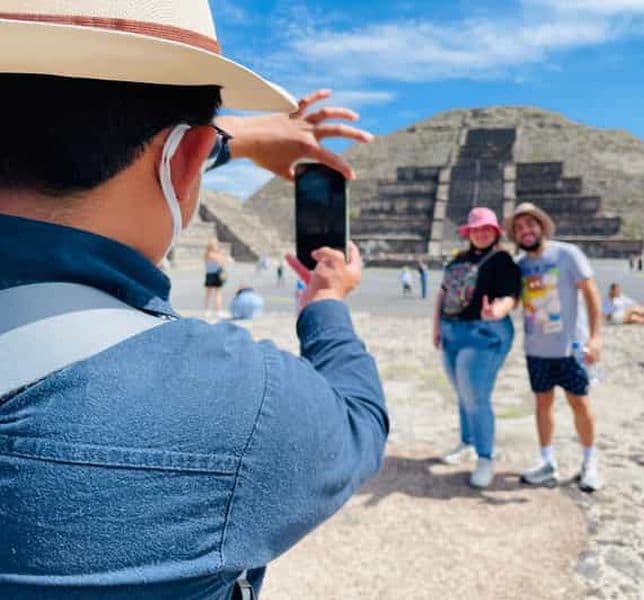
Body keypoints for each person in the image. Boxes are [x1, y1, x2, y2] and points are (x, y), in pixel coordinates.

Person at [0, 4, 388, 599]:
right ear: (185, 162)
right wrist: (326, 302)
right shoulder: (241, 399)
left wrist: (240, 141)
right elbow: (358, 421)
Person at [507, 202, 604, 492]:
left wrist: (596, 337)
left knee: (580, 403)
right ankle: (547, 461)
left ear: (541, 226)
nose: (525, 231)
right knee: (542, 404)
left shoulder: (567, 254)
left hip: (571, 347)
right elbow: (513, 300)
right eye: (519, 228)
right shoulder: (520, 266)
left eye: (530, 225)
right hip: (537, 348)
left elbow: (591, 294)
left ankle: (589, 462)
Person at [433, 207, 520, 488]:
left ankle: (485, 457)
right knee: (462, 392)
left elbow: (510, 295)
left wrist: (498, 310)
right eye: (476, 229)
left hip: (483, 334)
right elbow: (443, 292)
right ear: (468, 233)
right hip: (451, 331)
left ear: (495, 232)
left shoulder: (502, 260)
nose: (481, 233)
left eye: (486, 229)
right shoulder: (458, 259)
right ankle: (467, 443)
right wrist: (436, 326)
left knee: (475, 396)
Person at [203, 237, 228, 318]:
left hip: (211, 274)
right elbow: (221, 261)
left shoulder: (207, 254)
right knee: (216, 294)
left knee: (210, 294)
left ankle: (208, 310)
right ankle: (217, 311)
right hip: (214, 274)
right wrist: (221, 254)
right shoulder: (210, 254)